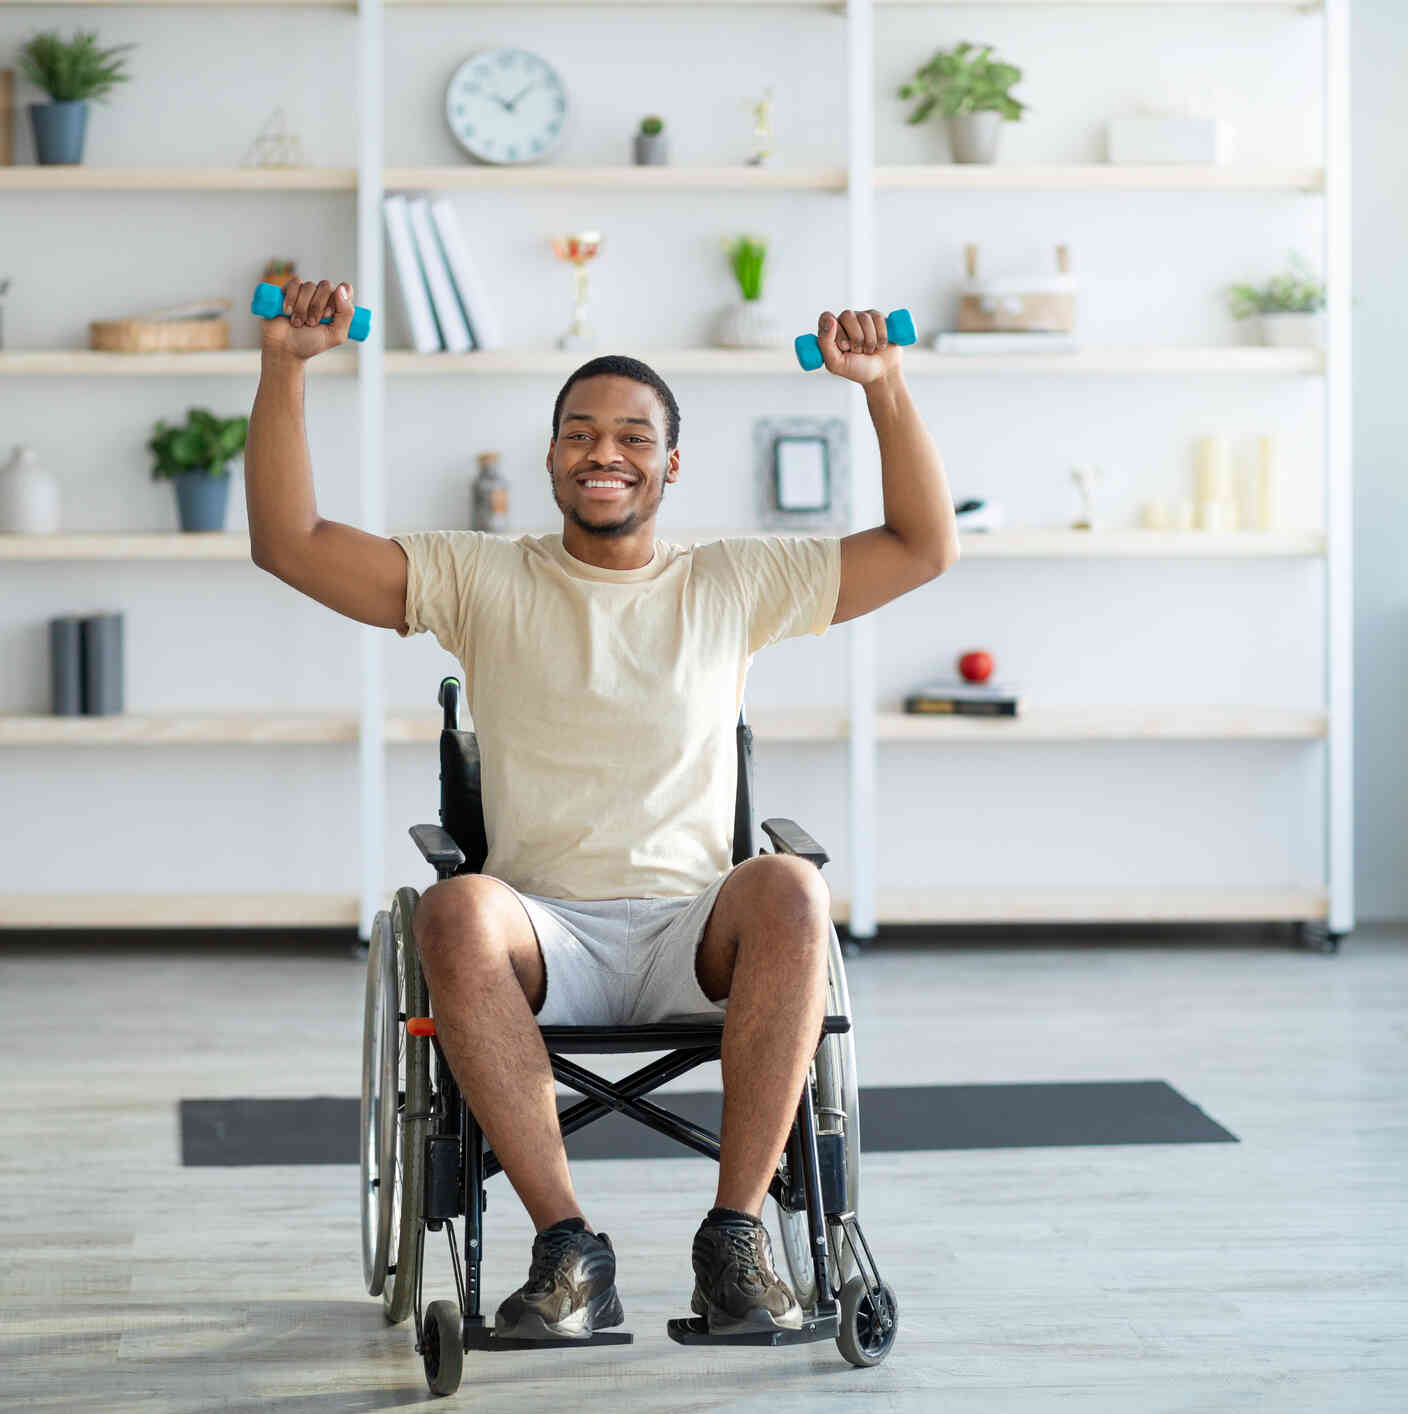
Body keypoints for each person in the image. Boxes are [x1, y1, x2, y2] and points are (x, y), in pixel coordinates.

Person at [248, 280, 955, 1340]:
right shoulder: (477, 576)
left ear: (671, 465)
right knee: (451, 910)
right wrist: (286, 366)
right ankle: (570, 1249)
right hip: (545, 932)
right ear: (550, 460)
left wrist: (886, 386)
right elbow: (289, 541)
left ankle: (735, 1240)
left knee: (795, 888)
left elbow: (921, 545)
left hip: (695, 928)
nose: (603, 451)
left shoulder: (732, 580)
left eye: (633, 435)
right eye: (579, 433)